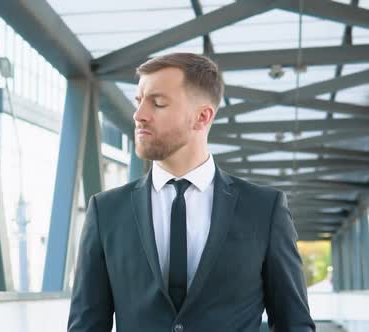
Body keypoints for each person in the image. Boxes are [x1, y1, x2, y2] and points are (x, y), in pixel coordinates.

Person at [67, 53, 315, 332]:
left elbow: (295, 324)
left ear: (202, 117)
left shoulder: (264, 209)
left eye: (158, 103)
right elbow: (85, 326)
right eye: (139, 102)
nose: (139, 116)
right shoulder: (106, 211)